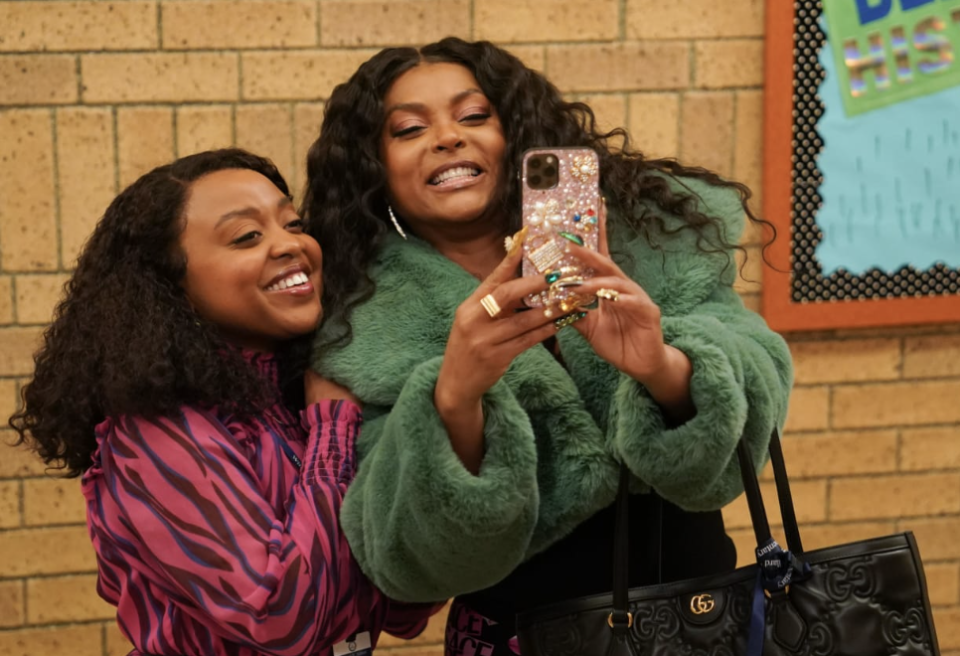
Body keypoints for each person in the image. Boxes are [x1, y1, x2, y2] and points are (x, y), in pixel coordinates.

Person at [302, 38, 793, 652]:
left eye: (475, 115)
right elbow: (402, 557)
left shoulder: (647, 240)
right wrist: (454, 395)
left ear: (516, 134)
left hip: (700, 618)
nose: (448, 137)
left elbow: (762, 378)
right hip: (522, 636)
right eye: (408, 128)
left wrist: (662, 366)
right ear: (375, 167)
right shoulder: (366, 325)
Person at [8, 149, 439, 656]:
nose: (290, 245)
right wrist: (330, 431)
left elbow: (399, 603)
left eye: (293, 223)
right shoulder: (156, 435)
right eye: (246, 237)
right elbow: (281, 619)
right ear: (171, 287)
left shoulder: (294, 399)